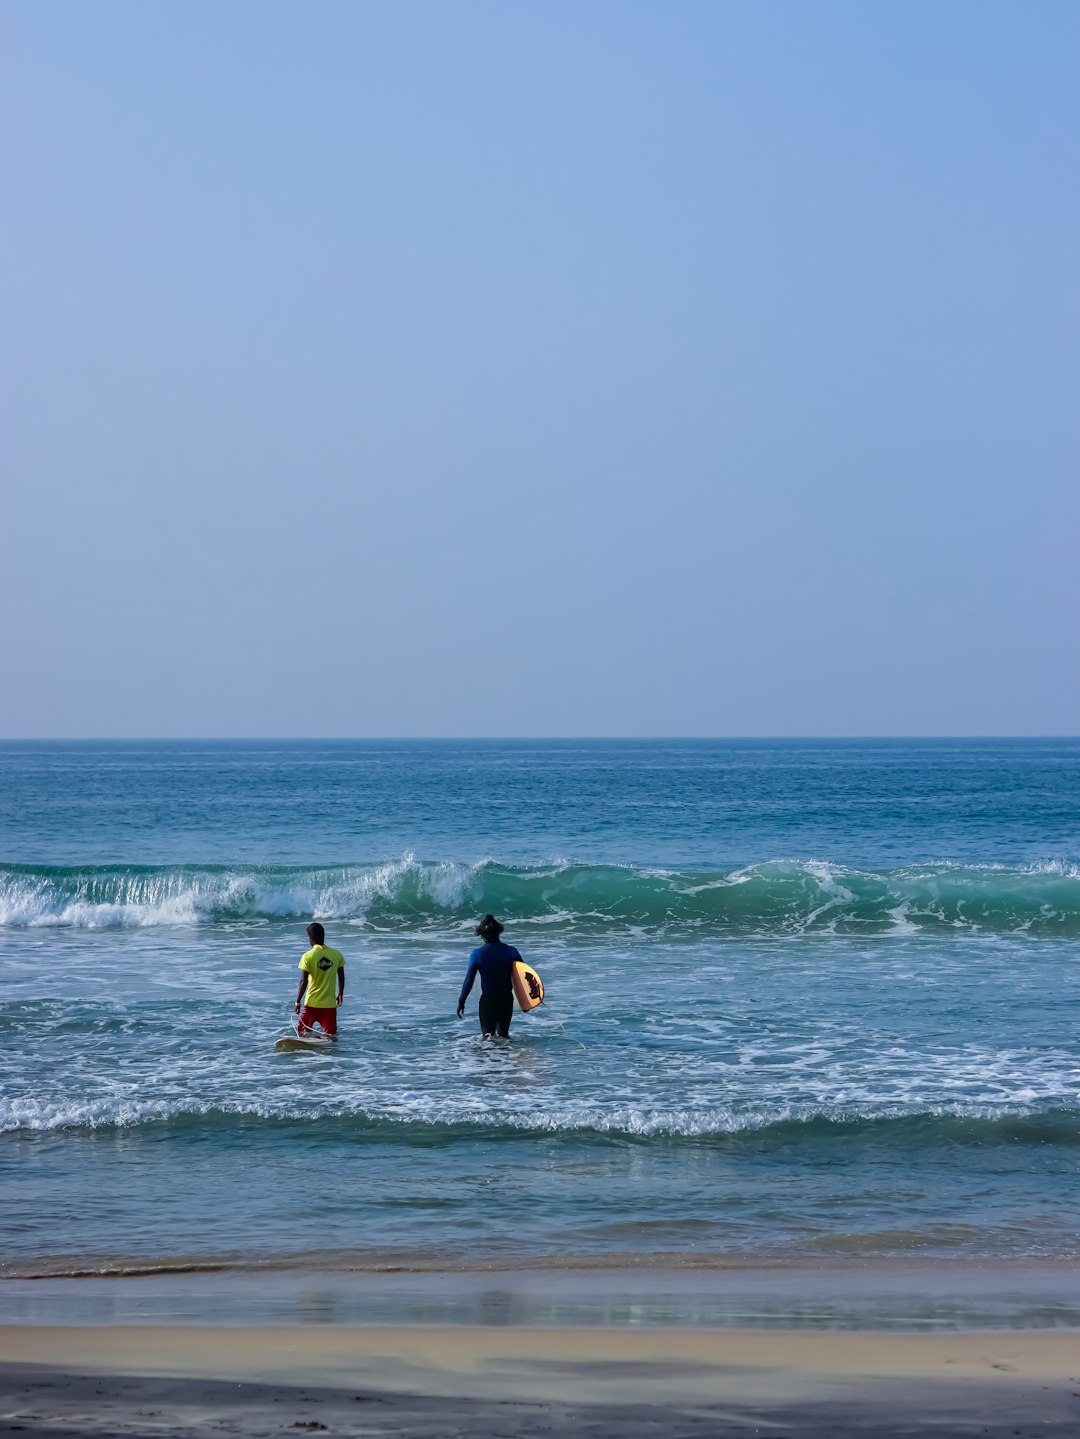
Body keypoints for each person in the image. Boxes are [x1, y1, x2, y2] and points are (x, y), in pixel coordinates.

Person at [456, 914, 522, 1038]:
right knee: (504, 1036)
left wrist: (461, 1001)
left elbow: (469, 981)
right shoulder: (511, 951)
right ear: (498, 932)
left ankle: (489, 1058)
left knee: (488, 1037)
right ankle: (508, 1057)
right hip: (506, 1000)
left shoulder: (477, 954)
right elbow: (524, 977)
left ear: (482, 935)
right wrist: (527, 1002)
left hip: (488, 1000)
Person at [294, 922, 345, 1038]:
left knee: (302, 1035)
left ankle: (310, 1055)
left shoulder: (308, 956)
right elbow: (341, 976)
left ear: (311, 938)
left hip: (311, 1005)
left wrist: (298, 1001)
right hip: (329, 1006)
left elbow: (303, 981)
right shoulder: (337, 954)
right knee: (330, 1037)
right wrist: (340, 993)